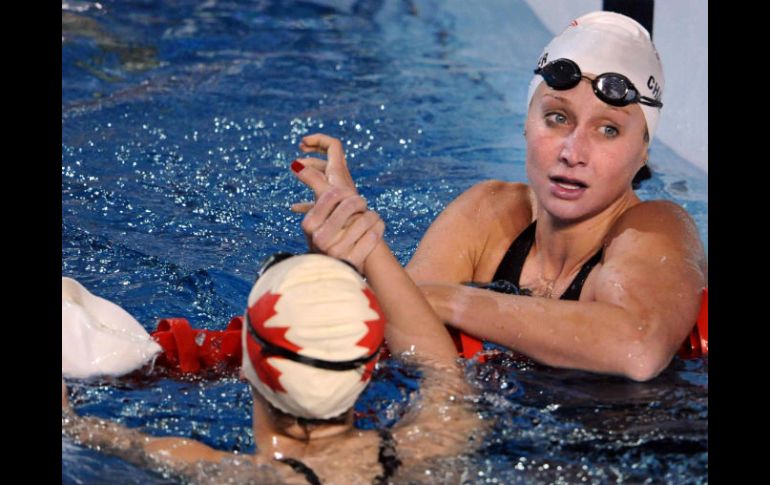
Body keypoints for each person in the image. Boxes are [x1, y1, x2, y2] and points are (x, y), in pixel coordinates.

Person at [290, 11, 707, 382]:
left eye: (608, 129)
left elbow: (637, 350)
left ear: (643, 151)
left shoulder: (657, 227)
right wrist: (352, 249)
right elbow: (401, 338)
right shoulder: (487, 213)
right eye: (557, 118)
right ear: (526, 123)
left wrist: (446, 299)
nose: (572, 152)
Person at [63, 252, 482, 483]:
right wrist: (370, 244)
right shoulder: (432, 441)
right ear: (369, 367)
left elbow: (90, 433)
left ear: (247, 363)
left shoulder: (247, 476)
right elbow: (440, 363)